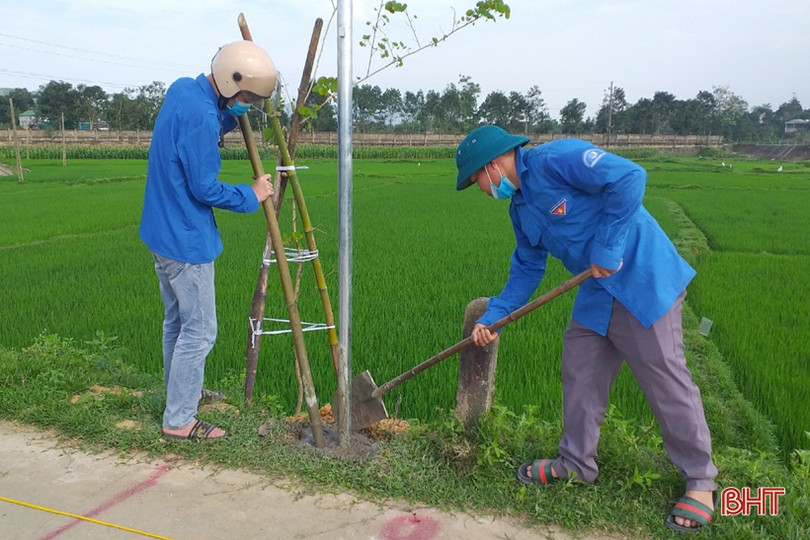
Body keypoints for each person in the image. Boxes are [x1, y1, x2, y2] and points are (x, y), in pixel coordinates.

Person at [455, 125, 718, 533]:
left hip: (643, 278)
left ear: (492, 166)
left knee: (664, 378)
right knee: (580, 369)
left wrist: (608, 246)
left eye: (477, 182)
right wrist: (495, 316)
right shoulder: (520, 208)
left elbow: (630, 177)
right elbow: (527, 267)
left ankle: (701, 480)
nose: (483, 191)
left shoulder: (556, 160)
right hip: (597, 291)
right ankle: (576, 463)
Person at [139, 41, 277, 442]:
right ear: (230, 83)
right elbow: (204, 187)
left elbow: (210, 122)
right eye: (246, 98)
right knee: (200, 331)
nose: (246, 106)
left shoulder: (184, 89)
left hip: (159, 231)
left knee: (177, 322)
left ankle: (183, 392)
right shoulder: (203, 117)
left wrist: (228, 116)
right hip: (185, 239)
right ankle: (180, 418)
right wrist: (251, 194)